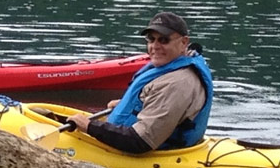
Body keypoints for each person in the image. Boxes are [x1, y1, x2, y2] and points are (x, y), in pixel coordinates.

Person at [67, 12, 213, 154]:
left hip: (149, 152)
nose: (155, 46)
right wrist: (131, 105)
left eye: (164, 40)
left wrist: (90, 127)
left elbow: (141, 141)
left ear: (184, 42)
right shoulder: (176, 69)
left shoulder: (176, 83)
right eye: (151, 39)